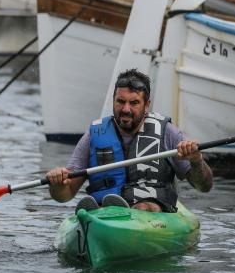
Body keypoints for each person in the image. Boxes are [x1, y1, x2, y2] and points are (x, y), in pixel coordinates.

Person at [45, 68, 213, 212]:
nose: (126, 109)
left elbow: (204, 186)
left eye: (134, 103)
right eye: (120, 101)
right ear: (113, 100)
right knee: (97, 208)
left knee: (145, 207)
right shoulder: (93, 135)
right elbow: (64, 196)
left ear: (146, 105)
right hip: (105, 216)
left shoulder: (167, 133)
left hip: (153, 214)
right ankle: (107, 214)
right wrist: (57, 184)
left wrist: (196, 160)